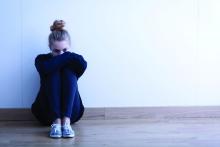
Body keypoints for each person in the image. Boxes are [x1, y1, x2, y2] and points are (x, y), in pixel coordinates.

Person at [31, 20, 87, 138]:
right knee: (53, 71)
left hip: (72, 113)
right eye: (56, 51)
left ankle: (66, 122)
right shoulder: (41, 59)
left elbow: (84, 64)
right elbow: (45, 68)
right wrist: (67, 56)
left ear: (70, 46)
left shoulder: (75, 61)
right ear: (49, 47)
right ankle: (56, 123)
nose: (61, 54)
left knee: (68, 71)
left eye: (65, 50)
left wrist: (64, 56)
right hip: (46, 113)